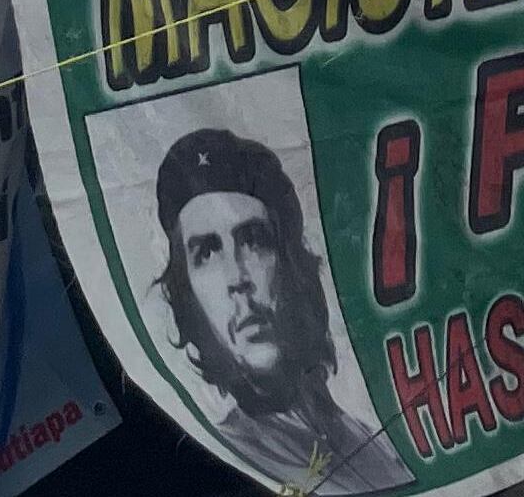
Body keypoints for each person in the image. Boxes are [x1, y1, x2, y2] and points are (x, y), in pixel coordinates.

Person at [152, 127, 408, 494]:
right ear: (186, 291)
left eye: (253, 240)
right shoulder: (227, 459)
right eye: (207, 252)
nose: (237, 277)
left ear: (290, 263)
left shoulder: (367, 436)